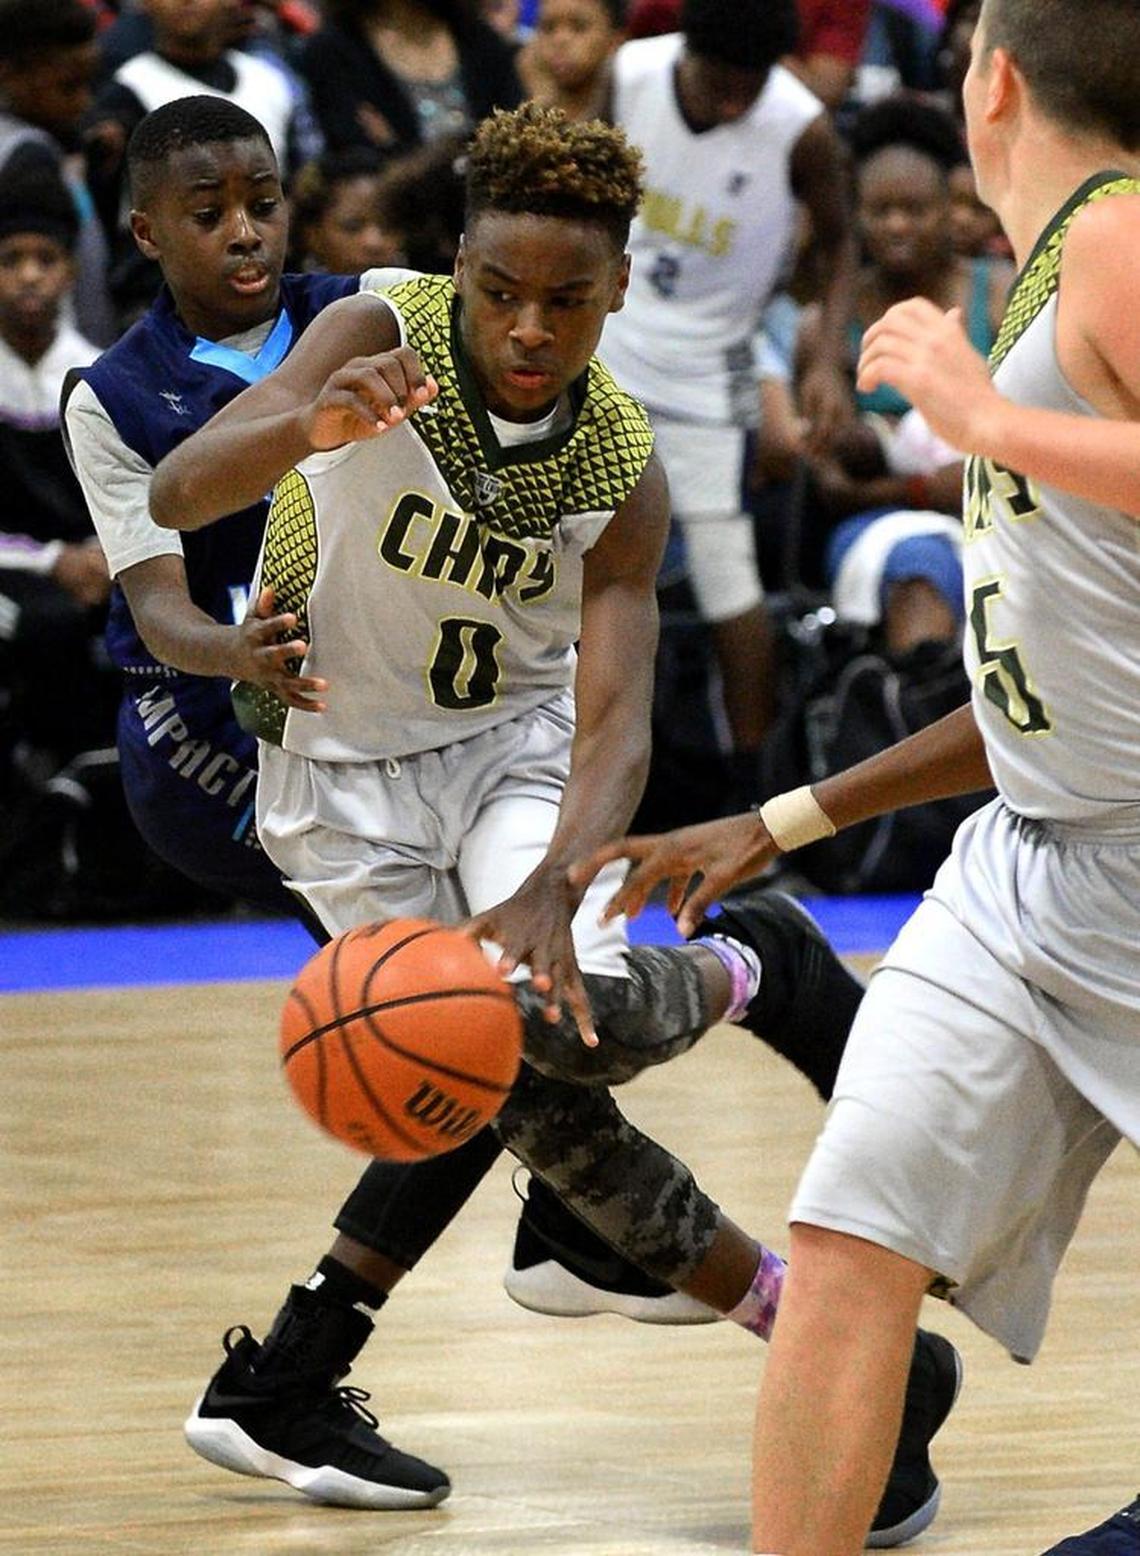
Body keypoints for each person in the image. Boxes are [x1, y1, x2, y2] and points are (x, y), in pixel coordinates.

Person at [148, 101, 958, 1543]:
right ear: (456, 263)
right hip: (335, 777)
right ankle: (751, 973)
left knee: (530, 1030)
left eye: (567, 301)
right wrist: (299, 420)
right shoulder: (371, 331)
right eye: (501, 291)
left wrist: (559, 881)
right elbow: (177, 487)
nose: (529, 326)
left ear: (620, 293)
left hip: (511, 760)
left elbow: (615, 715)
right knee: (513, 1074)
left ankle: (765, 1304)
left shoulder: (617, 462)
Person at [569, 0, 1140, 1548]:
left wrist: (976, 415)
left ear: (993, 77)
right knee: (848, 1238)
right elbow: (1043, 696)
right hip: (1031, 862)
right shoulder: (1062, 265)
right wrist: (786, 815)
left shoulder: (1117, 236)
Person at [599, 0, 857, 797]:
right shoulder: (631, 74)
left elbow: (842, 243)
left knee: (730, 581)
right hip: (604, 341)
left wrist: (822, 357)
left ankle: (760, 791)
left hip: (711, 365)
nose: (733, 104)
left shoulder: (800, 125)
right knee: (557, 560)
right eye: (718, 84)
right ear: (687, 49)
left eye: (750, 87)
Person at [84, 0, 312, 329]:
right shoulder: (126, 91)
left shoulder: (269, 82)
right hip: (163, 307)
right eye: (208, 214)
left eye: (261, 206)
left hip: (273, 301)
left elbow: (296, 189)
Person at [0, 156, 110, 784]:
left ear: (70, 270)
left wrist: (104, 555)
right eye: (11, 260)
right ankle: (54, 777)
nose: (29, 277)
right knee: (50, 624)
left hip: (91, 565)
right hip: (18, 571)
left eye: (45, 259)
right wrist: (53, 562)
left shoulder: (95, 373)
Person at [0, 0, 116, 346]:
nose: (84, 102)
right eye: (68, 86)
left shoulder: (54, 147)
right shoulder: (28, 155)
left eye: (88, 84)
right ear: (9, 74)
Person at [297, 0, 521, 158]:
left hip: (485, 211)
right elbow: (355, 158)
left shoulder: (479, 38)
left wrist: (394, 147)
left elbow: (512, 138)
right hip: (390, 218)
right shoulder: (333, 51)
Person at [290, 146, 399, 274]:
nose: (374, 243)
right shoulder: (282, 292)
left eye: (388, 226)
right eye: (353, 227)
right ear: (313, 235)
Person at [516, 0, 626, 123]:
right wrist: (540, 103)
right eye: (548, 27)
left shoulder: (632, 103)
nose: (560, 40)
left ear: (615, 40)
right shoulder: (524, 87)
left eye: (579, 27)